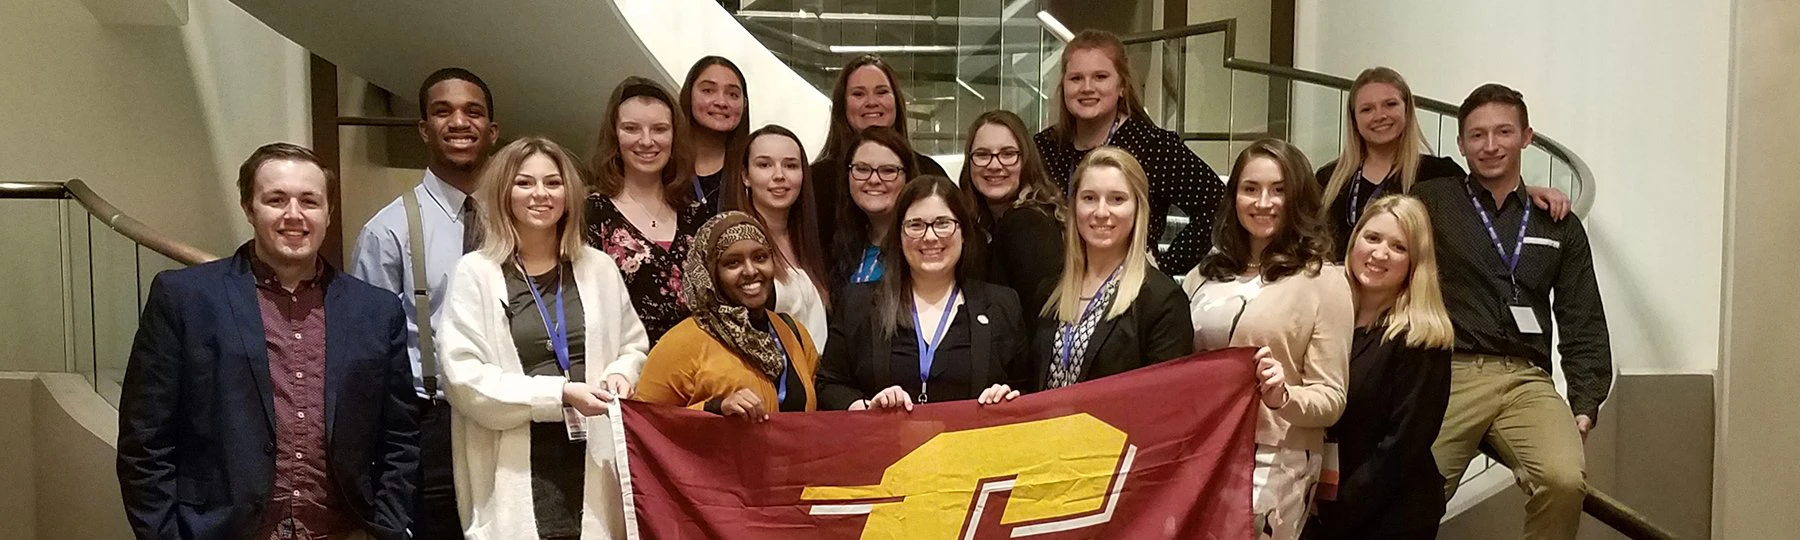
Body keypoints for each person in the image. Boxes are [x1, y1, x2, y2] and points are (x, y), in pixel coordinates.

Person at [117, 143, 418, 540]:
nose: (294, 215)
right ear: (249, 208)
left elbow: (400, 437)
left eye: (309, 201)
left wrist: (388, 526)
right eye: (276, 200)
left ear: (328, 212)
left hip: (342, 530)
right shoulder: (184, 298)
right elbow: (145, 439)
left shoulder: (376, 311)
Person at [1417, 84, 1612, 540]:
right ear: (1461, 144)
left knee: (1563, 482)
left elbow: (1581, 317)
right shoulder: (1433, 202)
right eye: (1477, 135)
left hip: (1527, 378)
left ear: (1526, 137)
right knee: (1412, 496)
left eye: (1503, 132)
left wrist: (1586, 400)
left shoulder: (1557, 223)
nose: (1490, 145)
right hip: (1451, 371)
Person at [437, 137, 650, 539]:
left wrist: (624, 372)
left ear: (569, 194)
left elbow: (633, 345)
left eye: (552, 183)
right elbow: (464, 380)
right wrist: (560, 395)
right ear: (504, 192)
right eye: (524, 183)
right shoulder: (475, 274)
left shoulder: (599, 267)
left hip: (594, 460)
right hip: (513, 468)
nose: (540, 194)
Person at [348, 66, 498, 540]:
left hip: (511, 413)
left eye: (473, 112)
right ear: (423, 129)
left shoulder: (522, 221)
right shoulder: (387, 231)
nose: (459, 122)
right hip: (430, 420)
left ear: (492, 131)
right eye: (443, 111)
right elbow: (366, 351)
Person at [1184, 138, 1351, 540]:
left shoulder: (1323, 281)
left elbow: (1331, 397)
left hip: (1275, 459)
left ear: (1299, 198)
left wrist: (1284, 396)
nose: (1263, 202)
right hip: (1201, 451)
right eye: (1250, 189)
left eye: (1279, 190)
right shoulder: (1204, 274)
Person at [1307, 195, 1455, 540]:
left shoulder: (1422, 338)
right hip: (1323, 506)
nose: (1379, 254)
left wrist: (1341, 508)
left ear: (1415, 263)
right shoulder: (1329, 318)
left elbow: (1402, 446)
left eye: (1398, 247)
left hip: (1389, 517)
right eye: (1371, 238)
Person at [817, 176, 1030, 410]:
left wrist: (1008, 397)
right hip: (887, 444)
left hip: (971, 445)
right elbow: (829, 385)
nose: (929, 237)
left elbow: (1026, 389)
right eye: (915, 225)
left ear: (964, 233)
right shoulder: (857, 303)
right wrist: (864, 406)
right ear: (898, 237)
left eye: (942, 223)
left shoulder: (1003, 305)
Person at [1316, 67, 1569, 256]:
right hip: (1344, 298)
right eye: (1367, 109)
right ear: (1354, 119)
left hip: (1415, 306)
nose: (1380, 115)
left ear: (1407, 110)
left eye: (1390, 104)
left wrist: (1531, 192)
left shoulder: (1438, 173)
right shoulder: (1328, 178)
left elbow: (1484, 198)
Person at [1033, 29, 1225, 276]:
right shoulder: (1044, 147)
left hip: (1129, 290)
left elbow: (1219, 206)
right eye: (1076, 78)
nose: (1087, 87)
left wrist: (1165, 268)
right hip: (1057, 285)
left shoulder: (1153, 145)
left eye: (1100, 77)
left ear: (1122, 85)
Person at [1034, 147, 1192, 391]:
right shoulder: (1049, 293)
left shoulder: (1162, 301)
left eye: (1117, 199)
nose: (1101, 212)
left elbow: (1166, 403)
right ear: (1074, 206)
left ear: (1138, 208)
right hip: (1048, 428)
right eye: (1089, 198)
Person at [637, 212, 821, 418]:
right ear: (711, 273)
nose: (751, 271)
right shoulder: (682, 343)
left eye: (760, 257)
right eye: (733, 263)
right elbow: (643, 423)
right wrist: (713, 409)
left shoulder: (793, 333)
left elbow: (817, 416)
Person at [586, 76, 706, 345]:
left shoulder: (697, 217)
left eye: (659, 129)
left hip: (701, 373)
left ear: (675, 136)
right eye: (631, 128)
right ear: (614, 135)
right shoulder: (592, 214)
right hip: (625, 376)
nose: (646, 140)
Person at [811, 54, 951, 250]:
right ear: (843, 105)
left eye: (882, 92)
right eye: (858, 94)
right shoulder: (816, 181)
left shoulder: (929, 172)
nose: (871, 102)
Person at [722, 124, 831, 350]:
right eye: (764, 165)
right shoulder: (731, 243)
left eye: (790, 165)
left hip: (814, 379)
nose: (779, 175)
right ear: (745, 176)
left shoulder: (812, 240)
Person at [958, 110, 1067, 319]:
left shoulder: (1027, 223)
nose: (995, 165)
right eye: (982, 155)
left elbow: (1040, 321)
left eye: (1008, 154)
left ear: (1025, 160)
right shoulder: (985, 224)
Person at [826, 126, 921, 294]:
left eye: (888, 170)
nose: (874, 179)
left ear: (908, 179)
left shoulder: (923, 246)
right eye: (862, 169)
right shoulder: (839, 245)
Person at [679, 55, 748, 217]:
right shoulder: (663, 161)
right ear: (688, 95)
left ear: (744, 104)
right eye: (708, 91)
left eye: (733, 94)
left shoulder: (752, 166)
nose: (721, 102)